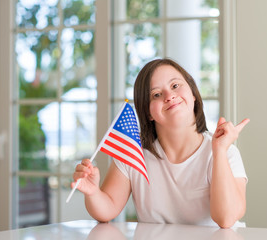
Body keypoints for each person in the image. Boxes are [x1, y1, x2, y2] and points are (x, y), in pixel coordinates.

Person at [72, 58, 249, 228]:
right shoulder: (133, 152)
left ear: (193, 94)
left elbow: (226, 219)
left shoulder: (226, 153)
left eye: (175, 86)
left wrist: (219, 151)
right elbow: (108, 209)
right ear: (148, 113)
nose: (169, 96)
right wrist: (93, 192)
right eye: (156, 94)